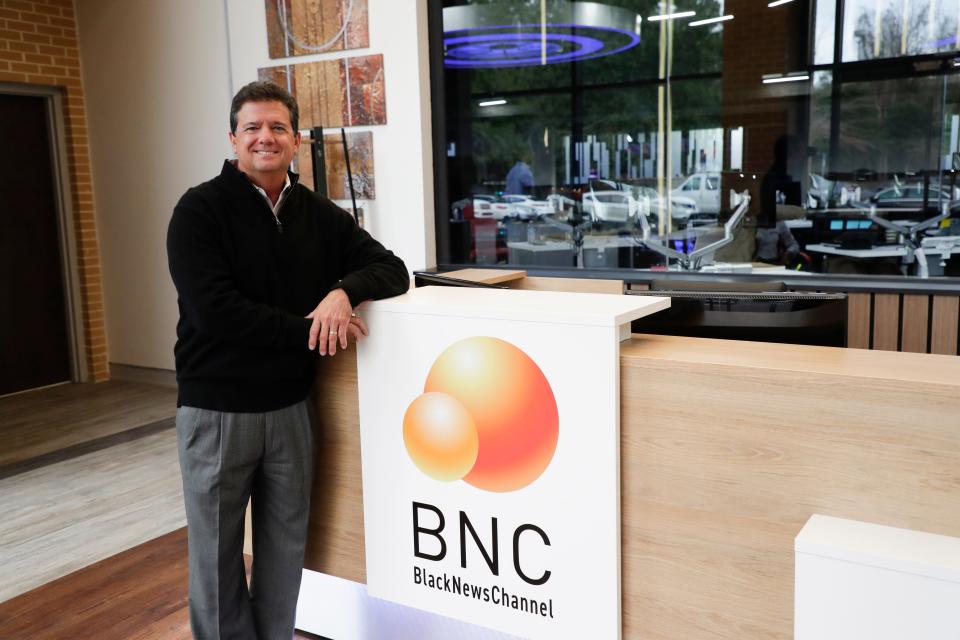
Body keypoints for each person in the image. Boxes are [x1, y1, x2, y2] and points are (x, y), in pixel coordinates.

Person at [166, 81, 408, 640]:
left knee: (284, 553)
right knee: (216, 559)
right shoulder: (199, 210)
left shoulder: (318, 214)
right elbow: (218, 313)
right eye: (252, 127)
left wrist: (343, 292)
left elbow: (391, 268)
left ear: (296, 141)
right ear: (233, 139)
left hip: (294, 411)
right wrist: (311, 329)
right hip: (217, 411)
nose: (264, 138)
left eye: (277, 127)